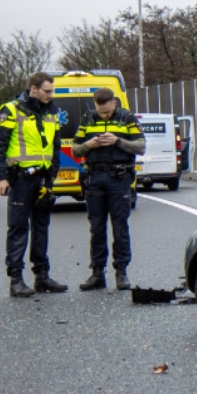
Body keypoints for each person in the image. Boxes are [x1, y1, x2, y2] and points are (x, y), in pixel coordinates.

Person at [0, 71, 68, 297]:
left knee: (41, 227)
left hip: (43, 178)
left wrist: (52, 174)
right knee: (18, 228)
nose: (50, 95)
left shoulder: (52, 111)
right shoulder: (11, 110)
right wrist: (1, 177)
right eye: (47, 91)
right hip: (21, 178)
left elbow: (55, 146)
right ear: (33, 89)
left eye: (52, 91)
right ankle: (16, 280)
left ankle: (42, 276)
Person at [72, 87, 145, 291]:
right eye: (100, 111)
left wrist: (117, 141)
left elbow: (141, 146)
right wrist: (89, 145)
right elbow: (75, 150)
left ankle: (121, 272)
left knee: (120, 225)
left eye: (106, 111)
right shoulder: (88, 119)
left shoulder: (127, 118)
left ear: (114, 103)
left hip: (118, 177)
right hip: (94, 176)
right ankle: (97, 273)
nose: (103, 115)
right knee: (96, 227)